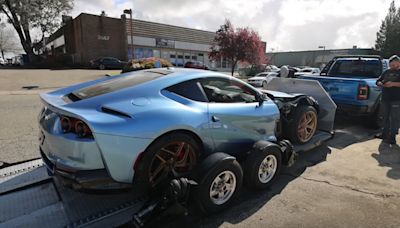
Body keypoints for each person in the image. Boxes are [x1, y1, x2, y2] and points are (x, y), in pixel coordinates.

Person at [376, 55, 400, 145]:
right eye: (391, 64)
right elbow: (378, 80)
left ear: (398, 63)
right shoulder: (386, 72)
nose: (392, 66)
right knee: (385, 117)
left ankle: (392, 137)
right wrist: (380, 83)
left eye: (393, 64)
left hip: (396, 99)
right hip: (385, 98)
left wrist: (393, 84)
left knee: (395, 119)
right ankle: (384, 134)